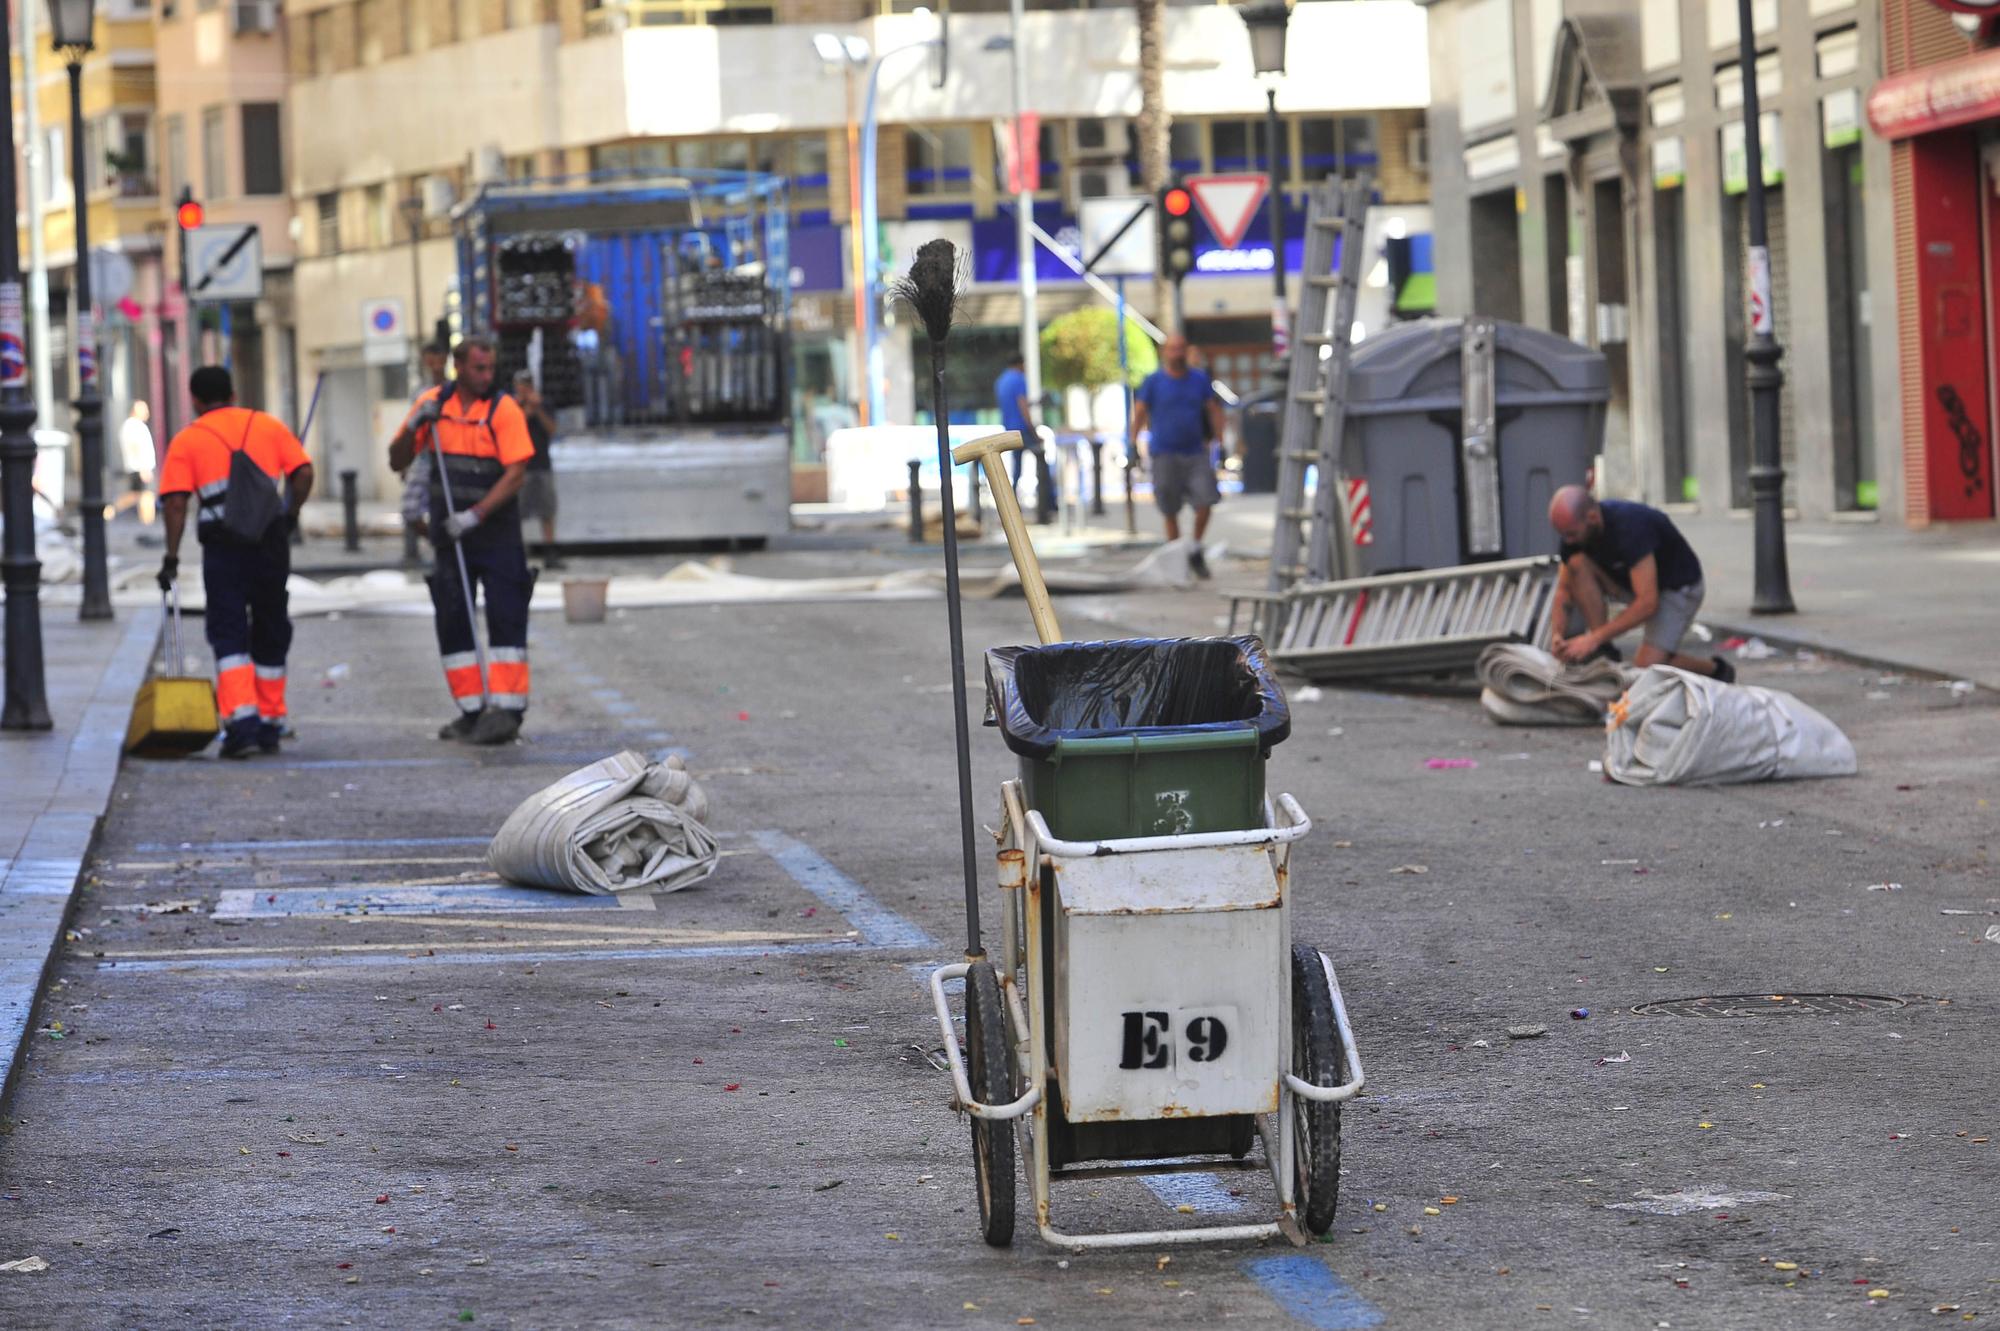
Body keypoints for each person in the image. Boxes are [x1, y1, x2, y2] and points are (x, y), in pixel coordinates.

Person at [155, 367, 314, 759]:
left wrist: (171, 558)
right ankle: (271, 721)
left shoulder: (189, 440)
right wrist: (290, 515)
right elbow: (303, 472)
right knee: (271, 622)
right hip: (270, 542)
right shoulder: (267, 426)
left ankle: (242, 725)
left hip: (224, 548)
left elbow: (176, 503)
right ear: (233, 392)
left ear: (195, 399)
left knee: (229, 629)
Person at [389, 337, 536, 746]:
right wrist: (418, 425)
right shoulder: (433, 406)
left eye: (490, 368)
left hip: (495, 532)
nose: (487, 376)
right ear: (458, 366)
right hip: (449, 538)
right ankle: (471, 710)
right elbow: (397, 459)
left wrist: (475, 515)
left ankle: (506, 710)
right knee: (455, 620)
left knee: (507, 615)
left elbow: (516, 473)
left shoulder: (503, 409)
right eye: (478, 369)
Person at [1547, 485, 1735, 682]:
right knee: (1577, 563)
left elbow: (1648, 603)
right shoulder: (1573, 534)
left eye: (1571, 534)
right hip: (1633, 585)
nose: (1567, 540)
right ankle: (1604, 652)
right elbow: (1564, 591)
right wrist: (1557, 635)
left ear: (1592, 517)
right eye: (1563, 534)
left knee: (1647, 669)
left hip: (1678, 589)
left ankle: (1717, 671)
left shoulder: (1630, 527)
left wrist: (1592, 639)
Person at [1132, 334, 1226, 579]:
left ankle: (1194, 547)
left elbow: (1213, 410)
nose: (1177, 354)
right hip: (1164, 452)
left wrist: (1221, 440)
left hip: (1196, 452)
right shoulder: (1153, 382)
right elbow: (1140, 412)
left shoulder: (1199, 380)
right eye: (1172, 349)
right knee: (1169, 507)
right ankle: (1177, 558)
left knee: (1206, 500)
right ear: (1165, 352)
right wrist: (1132, 442)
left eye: (1181, 349)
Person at [993, 353, 1054, 523]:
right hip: (1022, 429)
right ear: (1020, 364)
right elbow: (1022, 406)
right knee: (1042, 462)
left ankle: (1011, 505)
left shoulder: (1001, 381)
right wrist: (1033, 431)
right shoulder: (1019, 379)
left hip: (1008, 429)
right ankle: (1048, 505)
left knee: (1016, 469)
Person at [513, 369, 563, 569]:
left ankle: (550, 552)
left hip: (541, 464)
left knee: (547, 510)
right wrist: (526, 412)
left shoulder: (544, 404)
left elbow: (552, 430)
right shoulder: (511, 406)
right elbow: (513, 429)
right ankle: (517, 552)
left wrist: (538, 409)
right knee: (517, 512)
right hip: (520, 466)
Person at [115, 400, 157, 524]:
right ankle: (147, 522)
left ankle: (147, 521)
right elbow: (136, 447)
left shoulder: (133, 425)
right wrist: (144, 468)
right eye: (144, 410)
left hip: (139, 466)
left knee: (139, 494)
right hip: (139, 467)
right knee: (145, 495)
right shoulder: (134, 426)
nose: (147, 413)